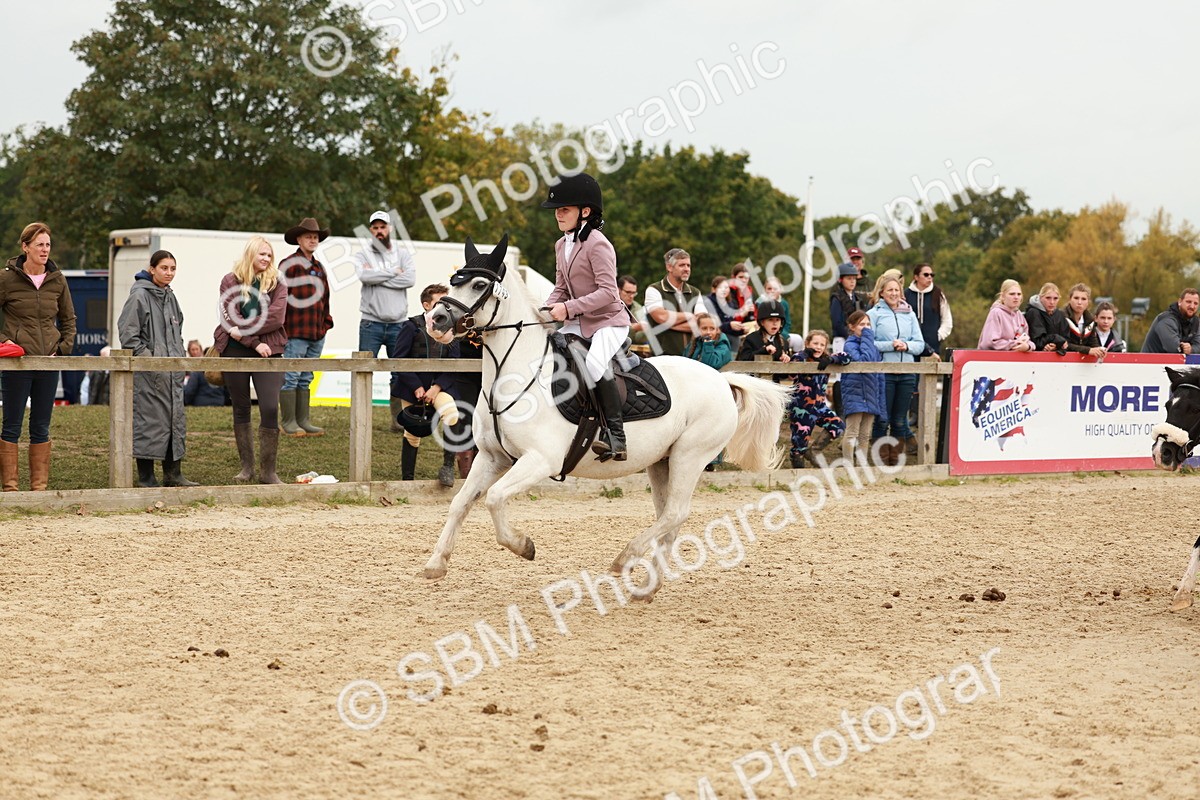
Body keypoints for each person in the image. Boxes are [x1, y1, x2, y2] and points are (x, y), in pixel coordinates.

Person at [543, 172, 631, 461]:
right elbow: (560, 288)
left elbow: (608, 293)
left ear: (585, 211)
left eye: (564, 209)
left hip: (608, 321)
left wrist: (567, 309)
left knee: (593, 364)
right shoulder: (561, 245)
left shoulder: (598, 244)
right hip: (579, 323)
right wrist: (543, 311)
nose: (558, 214)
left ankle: (616, 435)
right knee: (551, 353)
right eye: (557, 209)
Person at [0, 222, 76, 492]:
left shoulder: (58, 280)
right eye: (39, 245)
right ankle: (10, 488)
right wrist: (4, 341)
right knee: (11, 425)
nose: (45, 250)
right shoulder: (6, 278)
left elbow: (69, 319)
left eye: (47, 245)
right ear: (25, 247)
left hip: (48, 363)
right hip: (16, 363)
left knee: (41, 425)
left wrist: (63, 348)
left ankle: (39, 489)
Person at [117, 250, 197, 488]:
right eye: (164, 268)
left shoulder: (171, 297)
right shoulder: (139, 297)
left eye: (173, 268)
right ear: (152, 269)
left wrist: (179, 359)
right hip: (149, 375)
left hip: (172, 374)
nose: (169, 273)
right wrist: (150, 361)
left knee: (175, 422)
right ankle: (146, 477)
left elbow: (178, 332)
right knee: (149, 423)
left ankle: (174, 474)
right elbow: (128, 335)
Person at [214, 235, 289, 484]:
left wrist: (244, 331)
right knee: (241, 406)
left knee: (269, 407)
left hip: (271, 350)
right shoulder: (230, 280)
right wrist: (255, 342)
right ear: (250, 254)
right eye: (262, 254)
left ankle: (269, 472)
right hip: (236, 350)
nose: (266, 259)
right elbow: (229, 319)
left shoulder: (278, 282)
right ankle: (247, 469)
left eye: (269, 255)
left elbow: (277, 318)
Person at [392, 284, 461, 483]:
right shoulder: (411, 326)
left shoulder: (451, 330)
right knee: (413, 433)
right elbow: (399, 359)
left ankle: (447, 467)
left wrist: (436, 387)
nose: (444, 308)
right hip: (412, 388)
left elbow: (453, 363)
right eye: (439, 303)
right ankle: (407, 480)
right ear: (426, 305)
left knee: (452, 415)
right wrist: (416, 386)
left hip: (439, 387)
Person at [355, 210, 416, 431]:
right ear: (371, 231)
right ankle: (361, 420)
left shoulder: (404, 253)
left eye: (383, 227)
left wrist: (378, 276)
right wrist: (393, 272)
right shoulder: (362, 254)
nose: (379, 231)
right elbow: (364, 277)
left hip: (399, 324)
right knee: (363, 371)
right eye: (375, 227)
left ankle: (398, 422)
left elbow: (410, 279)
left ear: (389, 228)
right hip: (370, 323)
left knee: (399, 373)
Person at [279, 217, 334, 437]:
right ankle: (288, 422)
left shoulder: (319, 267)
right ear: (299, 239)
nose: (312, 240)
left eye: (315, 237)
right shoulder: (288, 265)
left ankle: (303, 420)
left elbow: (326, 298)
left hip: (316, 331)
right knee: (291, 375)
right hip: (294, 331)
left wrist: (325, 322)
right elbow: (278, 297)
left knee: (307, 375)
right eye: (308, 236)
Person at [867, 275, 925, 463]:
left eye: (896, 290)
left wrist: (906, 346)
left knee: (900, 420)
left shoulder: (909, 313)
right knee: (882, 419)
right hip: (884, 373)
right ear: (882, 292)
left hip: (907, 372)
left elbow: (920, 344)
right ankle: (880, 459)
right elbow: (870, 344)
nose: (893, 293)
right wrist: (890, 345)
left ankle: (895, 461)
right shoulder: (873, 314)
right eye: (889, 290)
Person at [786, 329, 850, 468]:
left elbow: (846, 357)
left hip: (820, 407)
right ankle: (798, 471)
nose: (818, 347)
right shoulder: (801, 358)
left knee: (838, 425)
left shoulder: (826, 360)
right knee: (800, 444)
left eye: (822, 344)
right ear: (807, 343)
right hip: (801, 407)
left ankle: (814, 450)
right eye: (815, 343)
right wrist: (805, 353)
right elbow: (792, 367)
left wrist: (831, 359)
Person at [683, 312, 732, 472]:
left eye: (712, 328)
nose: (708, 331)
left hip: (713, 394)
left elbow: (710, 364)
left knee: (709, 427)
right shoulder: (692, 346)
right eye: (704, 328)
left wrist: (708, 344)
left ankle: (710, 462)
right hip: (693, 391)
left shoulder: (723, 346)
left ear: (718, 329)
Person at [840, 311, 887, 466]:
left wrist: (880, 401)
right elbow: (864, 361)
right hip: (855, 393)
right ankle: (847, 465)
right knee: (852, 432)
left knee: (865, 435)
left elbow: (879, 374)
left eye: (868, 325)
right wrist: (868, 337)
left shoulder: (873, 347)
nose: (866, 328)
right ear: (852, 327)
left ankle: (861, 466)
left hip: (871, 393)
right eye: (862, 325)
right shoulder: (850, 345)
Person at [644, 247, 704, 357]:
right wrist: (689, 316)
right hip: (662, 358)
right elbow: (661, 317)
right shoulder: (654, 290)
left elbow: (703, 323)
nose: (687, 269)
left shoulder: (695, 292)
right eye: (682, 265)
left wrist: (668, 324)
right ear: (669, 267)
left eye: (688, 265)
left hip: (691, 358)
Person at [904, 263, 952, 357]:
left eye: (932, 275)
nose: (929, 277)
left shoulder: (938, 294)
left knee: (930, 371)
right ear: (916, 277)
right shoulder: (906, 294)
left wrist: (937, 336)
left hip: (933, 347)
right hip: (910, 346)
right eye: (926, 275)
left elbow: (947, 319)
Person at [978, 280, 1035, 352]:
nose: (1016, 297)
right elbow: (990, 342)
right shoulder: (996, 313)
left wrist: (1028, 347)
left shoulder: (1020, 315)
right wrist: (1015, 344)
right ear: (1002, 296)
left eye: (1019, 294)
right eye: (1012, 294)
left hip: (1014, 361)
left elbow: (1027, 340)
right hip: (993, 360)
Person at [1142, 288, 1200, 354]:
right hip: (1150, 363)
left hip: (1172, 363)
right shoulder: (1166, 320)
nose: (1192, 306)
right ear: (1180, 302)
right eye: (1188, 302)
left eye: (1195, 303)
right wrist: (1184, 348)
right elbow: (1173, 349)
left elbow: (1198, 345)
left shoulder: (1196, 322)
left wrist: (1191, 349)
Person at [1062, 283, 1106, 358]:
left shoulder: (1090, 320)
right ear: (1069, 299)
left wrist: (1099, 350)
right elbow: (1064, 344)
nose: (1079, 302)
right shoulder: (1061, 317)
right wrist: (1088, 350)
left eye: (1083, 299)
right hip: (1062, 362)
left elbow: (1093, 342)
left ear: (1088, 302)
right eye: (1076, 298)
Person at [829, 263, 866, 352]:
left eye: (854, 278)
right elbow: (837, 323)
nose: (852, 281)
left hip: (855, 338)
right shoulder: (836, 298)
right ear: (840, 280)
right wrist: (851, 335)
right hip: (841, 339)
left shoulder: (857, 298)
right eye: (849, 278)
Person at [1025, 282, 1071, 354]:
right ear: (1040, 297)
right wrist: (1055, 339)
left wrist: (1056, 346)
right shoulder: (1033, 313)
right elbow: (1037, 341)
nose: (1052, 302)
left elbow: (1066, 340)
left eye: (1055, 298)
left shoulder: (1060, 315)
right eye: (1048, 298)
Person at [705, 276, 746, 354]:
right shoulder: (708, 303)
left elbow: (731, 324)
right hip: (716, 341)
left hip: (732, 341)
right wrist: (730, 325)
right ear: (714, 289)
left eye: (726, 287)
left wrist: (742, 329)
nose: (724, 290)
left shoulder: (730, 303)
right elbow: (714, 326)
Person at [183, 342, 228, 407]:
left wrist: (186, 402)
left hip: (200, 403)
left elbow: (190, 391)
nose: (195, 352)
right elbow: (227, 391)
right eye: (193, 349)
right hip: (219, 402)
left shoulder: (197, 372)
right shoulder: (222, 373)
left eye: (196, 349)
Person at [617, 275, 647, 345]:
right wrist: (634, 328)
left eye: (634, 293)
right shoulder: (610, 307)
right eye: (628, 292)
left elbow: (638, 337)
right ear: (618, 290)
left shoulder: (638, 308)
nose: (631, 296)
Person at [763, 276, 792, 341]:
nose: (772, 291)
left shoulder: (784, 304)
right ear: (765, 290)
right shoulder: (761, 303)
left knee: (797, 339)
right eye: (769, 289)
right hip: (765, 333)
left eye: (775, 288)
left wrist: (783, 333)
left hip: (782, 333)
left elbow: (787, 322)